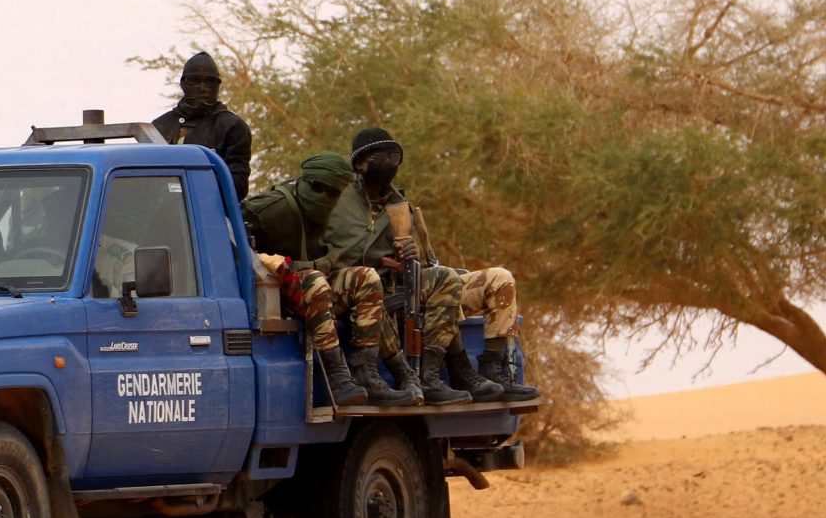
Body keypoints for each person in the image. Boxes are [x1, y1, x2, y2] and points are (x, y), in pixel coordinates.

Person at [322, 127, 540, 405]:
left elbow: (422, 266)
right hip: (370, 291)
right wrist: (379, 260)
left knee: (499, 278)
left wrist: (412, 256)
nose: (390, 163)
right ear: (360, 163)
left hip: (407, 288)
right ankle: (447, 373)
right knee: (443, 281)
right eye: (382, 156)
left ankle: (492, 372)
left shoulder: (400, 205)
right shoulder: (338, 203)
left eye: (395, 157)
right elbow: (334, 256)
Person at [241, 153, 413, 407]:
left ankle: (366, 372)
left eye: (339, 196)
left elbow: (339, 253)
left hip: (317, 289)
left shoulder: (338, 216)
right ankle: (337, 377)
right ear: (314, 187)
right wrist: (285, 266)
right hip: (277, 293)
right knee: (315, 280)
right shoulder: (271, 209)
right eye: (330, 194)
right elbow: (231, 241)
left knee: (366, 277)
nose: (334, 203)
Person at [152, 50, 253, 200]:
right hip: (161, 212)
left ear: (218, 85)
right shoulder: (159, 126)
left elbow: (237, 186)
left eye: (209, 81)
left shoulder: (233, 127)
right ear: (183, 83)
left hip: (209, 215)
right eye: (195, 80)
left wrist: (189, 186)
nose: (202, 86)